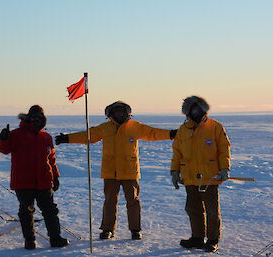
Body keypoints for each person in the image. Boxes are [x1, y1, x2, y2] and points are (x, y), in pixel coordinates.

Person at [55, 101, 177, 240]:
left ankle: (135, 229)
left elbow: (153, 133)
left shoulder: (135, 126)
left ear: (127, 113)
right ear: (111, 114)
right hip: (110, 171)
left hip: (130, 171)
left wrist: (171, 134)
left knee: (133, 201)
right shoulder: (105, 128)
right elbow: (88, 135)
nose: (119, 114)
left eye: (121, 111)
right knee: (110, 201)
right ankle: (107, 229)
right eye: (116, 112)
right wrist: (68, 138)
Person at [0, 105, 69, 250]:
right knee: (26, 211)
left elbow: (52, 160)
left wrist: (55, 177)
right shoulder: (16, 134)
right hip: (23, 182)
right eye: (34, 118)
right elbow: (4, 150)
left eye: (39, 118)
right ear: (28, 118)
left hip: (44, 181)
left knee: (50, 210)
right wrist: (3, 139)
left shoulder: (46, 137)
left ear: (43, 120)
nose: (36, 120)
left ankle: (55, 238)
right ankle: (29, 240)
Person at [170, 96, 231, 252]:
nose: (195, 111)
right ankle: (197, 238)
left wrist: (225, 168)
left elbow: (224, 150)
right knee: (193, 209)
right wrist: (175, 172)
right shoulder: (183, 130)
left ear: (203, 110)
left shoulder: (215, 127)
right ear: (187, 111)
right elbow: (177, 153)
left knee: (212, 210)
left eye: (198, 108)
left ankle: (212, 240)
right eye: (192, 109)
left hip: (210, 177)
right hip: (190, 178)